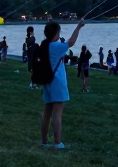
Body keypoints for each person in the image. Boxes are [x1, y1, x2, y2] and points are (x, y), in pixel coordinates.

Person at [37, 18, 86, 149]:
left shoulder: (44, 45)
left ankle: (44, 142)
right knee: (57, 113)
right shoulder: (56, 46)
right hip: (57, 82)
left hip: (46, 82)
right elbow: (71, 42)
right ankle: (58, 143)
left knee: (47, 112)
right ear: (56, 34)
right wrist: (79, 27)